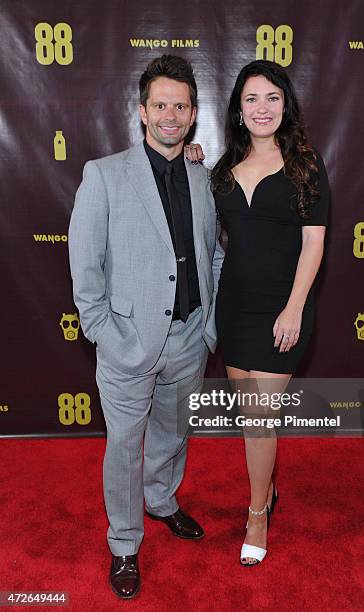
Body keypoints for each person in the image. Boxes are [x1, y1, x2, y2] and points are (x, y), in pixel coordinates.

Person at [68, 54, 224, 598]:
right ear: (142, 111)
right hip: (127, 345)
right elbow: (84, 270)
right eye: (160, 105)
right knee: (123, 447)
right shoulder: (104, 174)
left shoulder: (203, 177)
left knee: (171, 436)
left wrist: (210, 326)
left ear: (192, 113)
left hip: (188, 340)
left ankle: (162, 502)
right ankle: (125, 543)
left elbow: (212, 255)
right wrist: (105, 334)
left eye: (180, 106)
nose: (170, 115)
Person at [186, 59, 330, 566]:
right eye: (251, 99)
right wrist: (192, 158)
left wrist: (294, 308)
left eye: (272, 97)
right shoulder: (223, 170)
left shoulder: (305, 164)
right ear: (238, 111)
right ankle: (267, 489)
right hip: (235, 308)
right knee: (253, 415)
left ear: (284, 105)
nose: (262, 107)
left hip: (282, 309)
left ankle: (257, 514)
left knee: (257, 421)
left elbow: (314, 244)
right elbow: (205, 218)